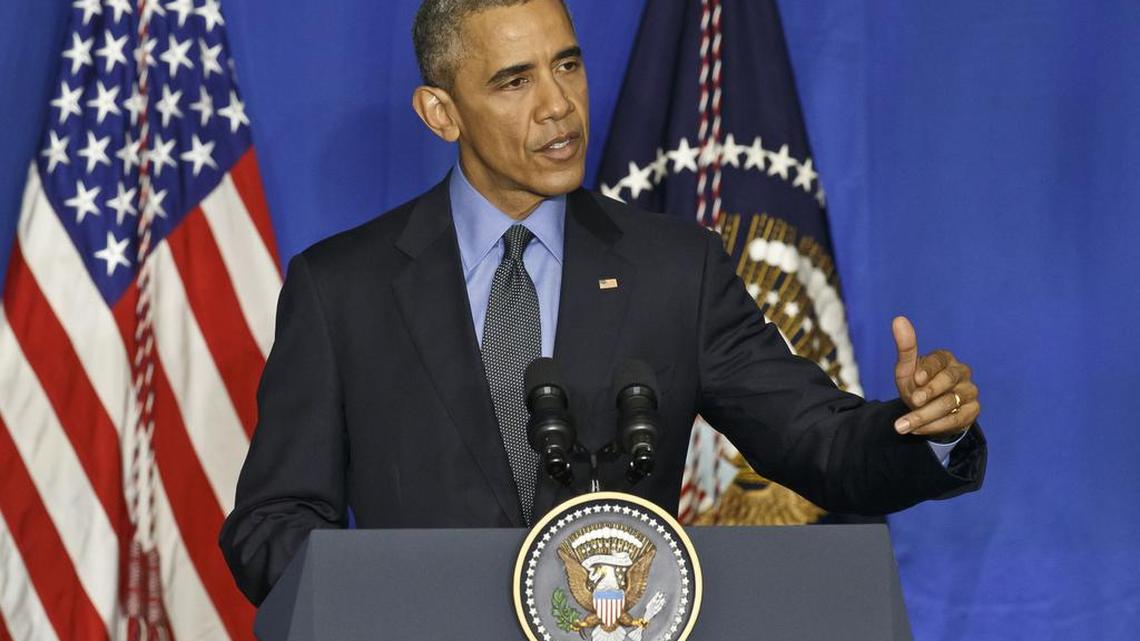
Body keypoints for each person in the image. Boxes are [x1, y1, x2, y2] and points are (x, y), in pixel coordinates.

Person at [220, 0, 986, 606]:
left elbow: (817, 441)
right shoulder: (342, 288)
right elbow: (271, 521)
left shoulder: (676, 270)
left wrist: (924, 428)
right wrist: (387, 604)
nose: (558, 105)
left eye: (568, 65)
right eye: (515, 81)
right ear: (441, 112)